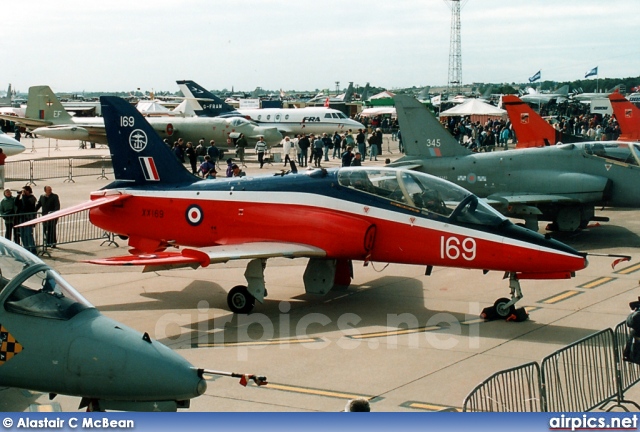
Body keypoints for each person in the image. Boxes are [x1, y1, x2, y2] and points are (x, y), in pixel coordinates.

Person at [15, 185, 37, 253]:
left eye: (24, 191)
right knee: (22, 234)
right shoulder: (23, 198)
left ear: (28, 191)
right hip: (22, 218)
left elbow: (26, 205)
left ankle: (33, 249)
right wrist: (18, 196)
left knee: (28, 234)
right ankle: (26, 248)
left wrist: (24, 196)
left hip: (28, 218)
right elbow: (16, 203)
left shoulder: (32, 198)